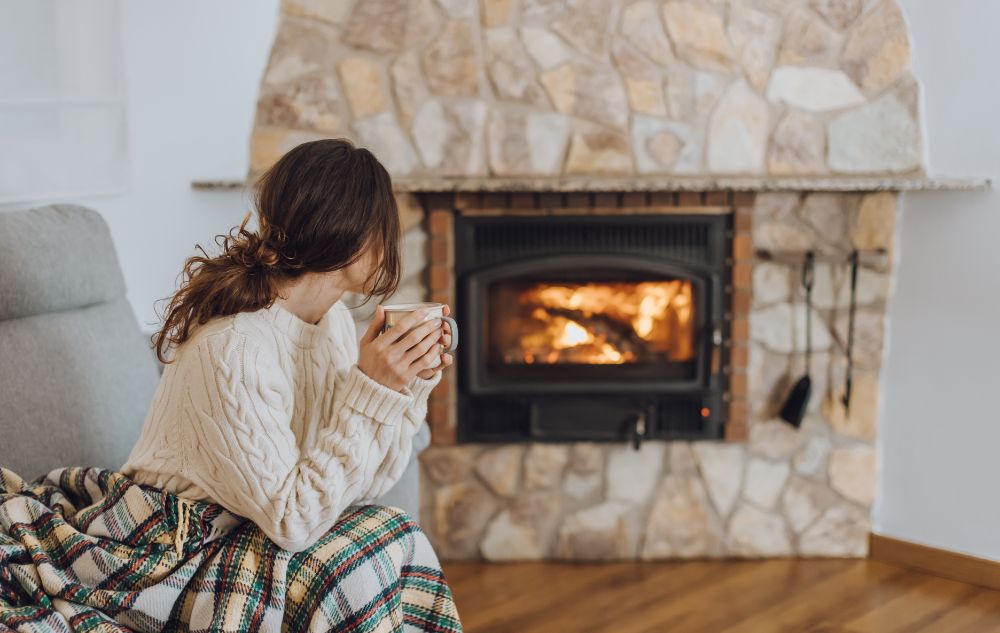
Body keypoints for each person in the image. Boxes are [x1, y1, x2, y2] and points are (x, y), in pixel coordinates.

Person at [120, 138, 453, 553]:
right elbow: (292, 522)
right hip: (174, 537)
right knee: (379, 551)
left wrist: (407, 384)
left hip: (252, 525)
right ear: (348, 231)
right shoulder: (234, 350)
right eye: (386, 224)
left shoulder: (333, 323)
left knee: (392, 533)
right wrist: (372, 390)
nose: (392, 240)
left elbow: (369, 485)